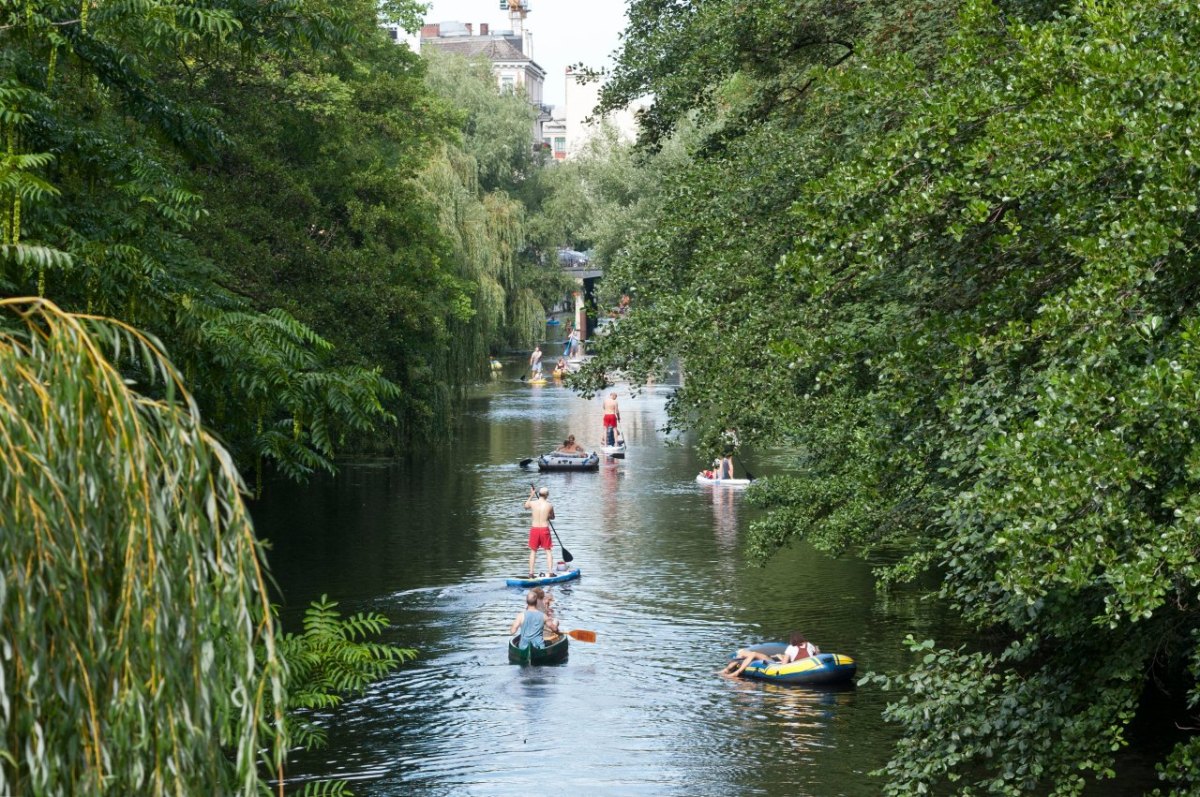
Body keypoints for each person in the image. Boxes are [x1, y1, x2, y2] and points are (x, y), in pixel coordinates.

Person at [723, 632, 819, 677]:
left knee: (753, 654)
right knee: (751, 654)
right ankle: (731, 669)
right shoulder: (809, 645)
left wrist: (780, 660)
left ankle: (736, 672)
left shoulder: (790, 648)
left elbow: (784, 665)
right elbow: (817, 654)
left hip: (794, 667)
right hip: (810, 665)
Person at [523, 485, 556, 577]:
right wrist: (547, 516)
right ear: (547, 495)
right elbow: (552, 517)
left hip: (535, 529)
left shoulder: (533, 503)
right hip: (544, 529)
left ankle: (531, 573)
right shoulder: (549, 505)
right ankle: (550, 572)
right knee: (548, 550)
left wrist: (531, 495)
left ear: (539, 494)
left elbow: (525, 506)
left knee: (533, 551)